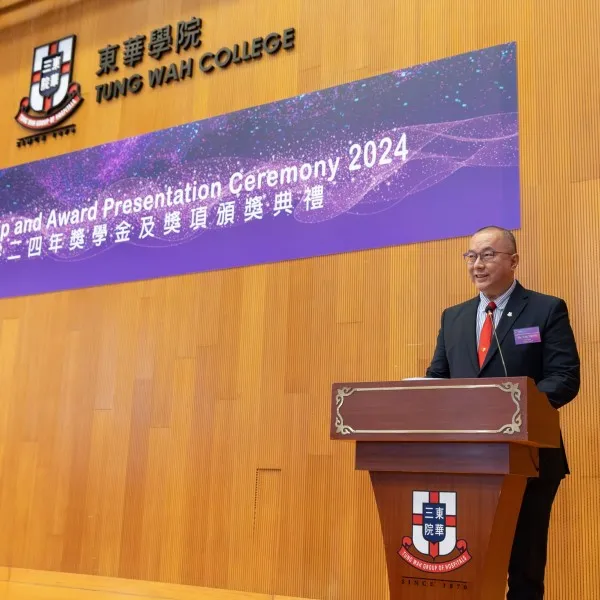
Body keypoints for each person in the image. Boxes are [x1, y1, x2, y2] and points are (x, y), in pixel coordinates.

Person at [426, 225, 580, 600]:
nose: (477, 264)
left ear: (513, 260)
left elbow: (564, 377)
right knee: (467, 555)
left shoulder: (546, 309)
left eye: (488, 255)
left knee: (524, 561)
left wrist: (513, 407)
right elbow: (437, 378)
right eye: (471, 256)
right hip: (465, 459)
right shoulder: (453, 317)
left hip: (529, 456)